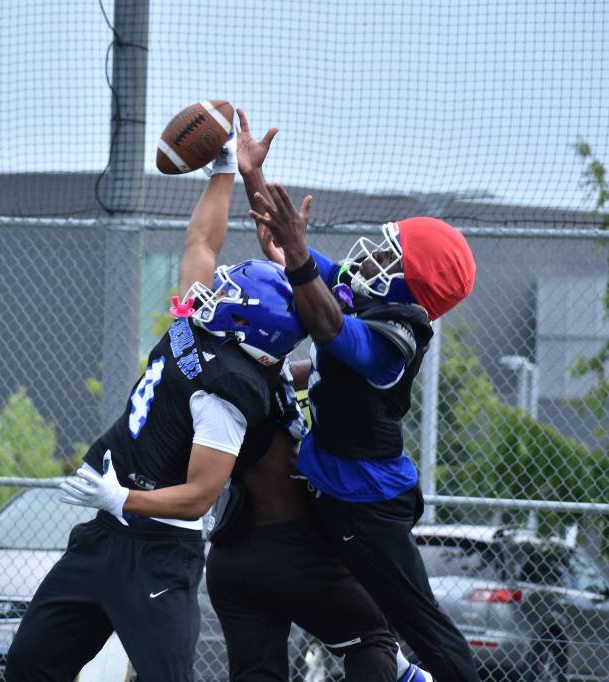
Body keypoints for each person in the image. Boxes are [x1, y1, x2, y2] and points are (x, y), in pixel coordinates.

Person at [4, 128, 306, 681]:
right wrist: (222, 171)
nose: (218, 289)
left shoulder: (229, 394)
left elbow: (198, 497)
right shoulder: (201, 321)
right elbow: (201, 244)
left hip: (162, 549)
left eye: (232, 293)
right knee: (29, 665)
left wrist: (123, 497)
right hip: (103, 537)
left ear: (248, 325)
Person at [203, 110, 432, 682]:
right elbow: (319, 311)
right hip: (293, 545)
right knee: (375, 636)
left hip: (230, 557)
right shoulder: (263, 380)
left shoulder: (221, 376)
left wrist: (245, 176)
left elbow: (272, 259)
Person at [247, 180, 480, 682]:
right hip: (329, 483)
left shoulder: (397, 336)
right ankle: (398, 672)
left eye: (387, 252)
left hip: (365, 503)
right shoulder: (368, 292)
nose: (371, 253)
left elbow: (330, 327)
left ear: (406, 281)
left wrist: (299, 253)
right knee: (327, 595)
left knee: (423, 625)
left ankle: (414, 671)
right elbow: (312, 270)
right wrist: (251, 175)